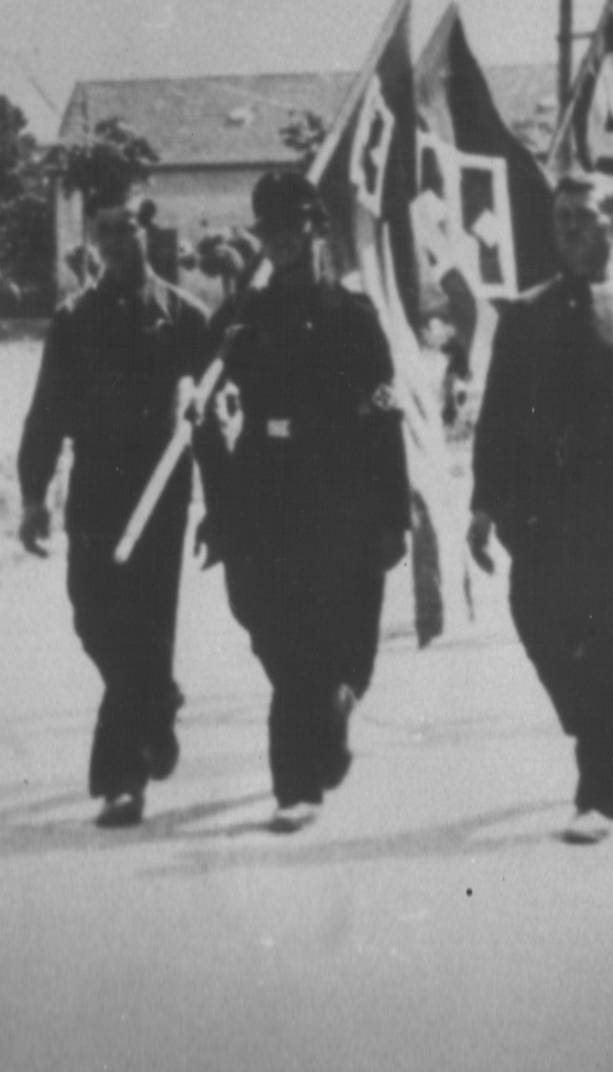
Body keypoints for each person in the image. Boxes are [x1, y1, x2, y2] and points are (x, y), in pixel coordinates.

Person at [468, 176, 613, 845]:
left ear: (612, 221)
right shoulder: (523, 316)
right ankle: (588, 719)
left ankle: (599, 797)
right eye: (561, 217)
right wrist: (483, 506)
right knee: (535, 619)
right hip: (542, 516)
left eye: (583, 216)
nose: (570, 228)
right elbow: (496, 417)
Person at [194, 171, 410, 833]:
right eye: (271, 231)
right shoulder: (240, 318)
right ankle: (308, 753)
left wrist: (392, 514)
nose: (282, 240)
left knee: (344, 643)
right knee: (272, 631)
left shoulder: (352, 315)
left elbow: (384, 414)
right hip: (265, 487)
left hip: (341, 492)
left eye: (294, 227)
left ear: (316, 230)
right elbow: (201, 411)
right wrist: (219, 500)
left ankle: (318, 742)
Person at [18, 195, 213, 829]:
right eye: (103, 232)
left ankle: (121, 781)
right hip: (97, 488)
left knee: (147, 625)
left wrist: (222, 498)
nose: (115, 241)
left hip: (159, 491)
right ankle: (158, 701)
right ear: (93, 241)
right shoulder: (74, 319)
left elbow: (218, 397)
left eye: (125, 228)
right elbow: (47, 410)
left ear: (144, 230)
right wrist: (33, 494)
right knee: (93, 616)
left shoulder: (182, 315)